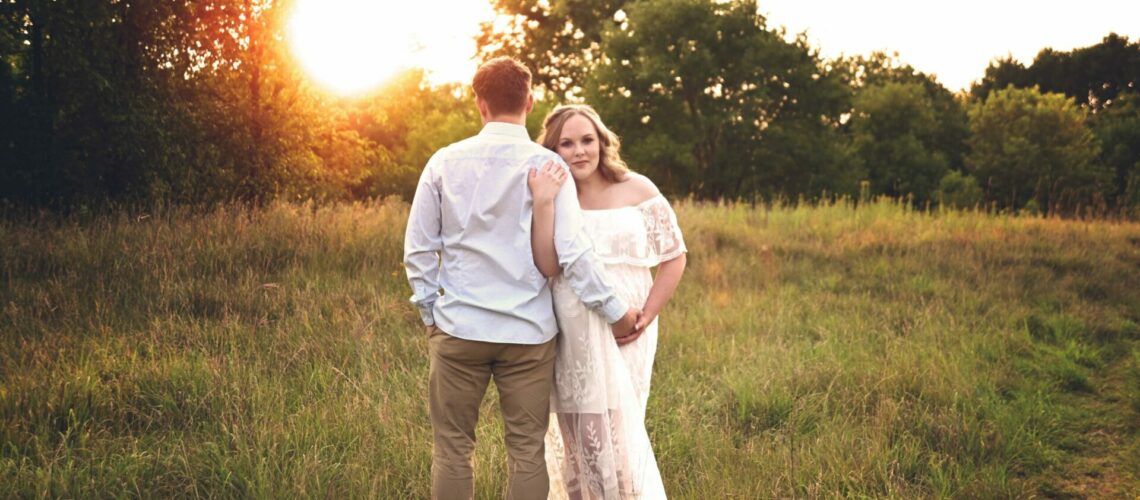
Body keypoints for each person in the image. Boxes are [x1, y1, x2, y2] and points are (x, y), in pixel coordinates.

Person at [403, 58, 642, 500]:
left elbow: (418, 249)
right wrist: (616, 311)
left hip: (459, 329)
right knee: (527, 451)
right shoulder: (550, 166)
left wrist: (430, 315)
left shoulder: (443, 162)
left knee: (453, 450)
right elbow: (574, 253)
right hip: (528, 335)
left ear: (480, 105)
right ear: (529, 101)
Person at [529, 104, 687, 499]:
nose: (579, 151)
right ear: (553, 149)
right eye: (567, 143)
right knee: (579, 443)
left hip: (629, 330)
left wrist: (647, 315)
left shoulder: (638, 188)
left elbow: (674, 256)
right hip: (572, 332)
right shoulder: (555, 198)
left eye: (587, 140)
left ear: (602, 142)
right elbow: (548, 264)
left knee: (619, 440)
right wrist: (544, 203)